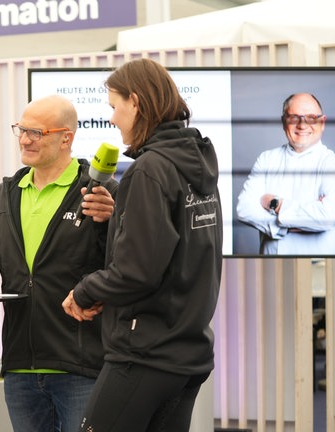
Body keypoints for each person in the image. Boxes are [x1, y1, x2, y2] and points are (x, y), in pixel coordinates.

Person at [0, 94, 117, 431]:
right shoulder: (5, 195)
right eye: (21, 129)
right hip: (20, 368)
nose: (25, 139)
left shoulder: (97, 194)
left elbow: (122, 264)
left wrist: (113, 220)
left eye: (37, 132)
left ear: (67, 137)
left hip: (82, 366)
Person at [62, 58, 223, 431]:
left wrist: (86, 290)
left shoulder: (150, 170)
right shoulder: (194, 163)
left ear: (135, 102)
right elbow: (176, 254)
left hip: (146, 354)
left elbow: (138, 271)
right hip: (187, 352)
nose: (113, 119)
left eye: (114, 107)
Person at [236, 92, 335, 255]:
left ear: (322, 122)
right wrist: (282, 226)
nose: (302, 125)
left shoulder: (330, 162)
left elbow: (326, 216)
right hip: (269, 266)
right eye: (294, 118)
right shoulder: (267, 159)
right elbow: (244, 209)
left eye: (311, 117)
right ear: (284, 122)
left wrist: (276, 204)